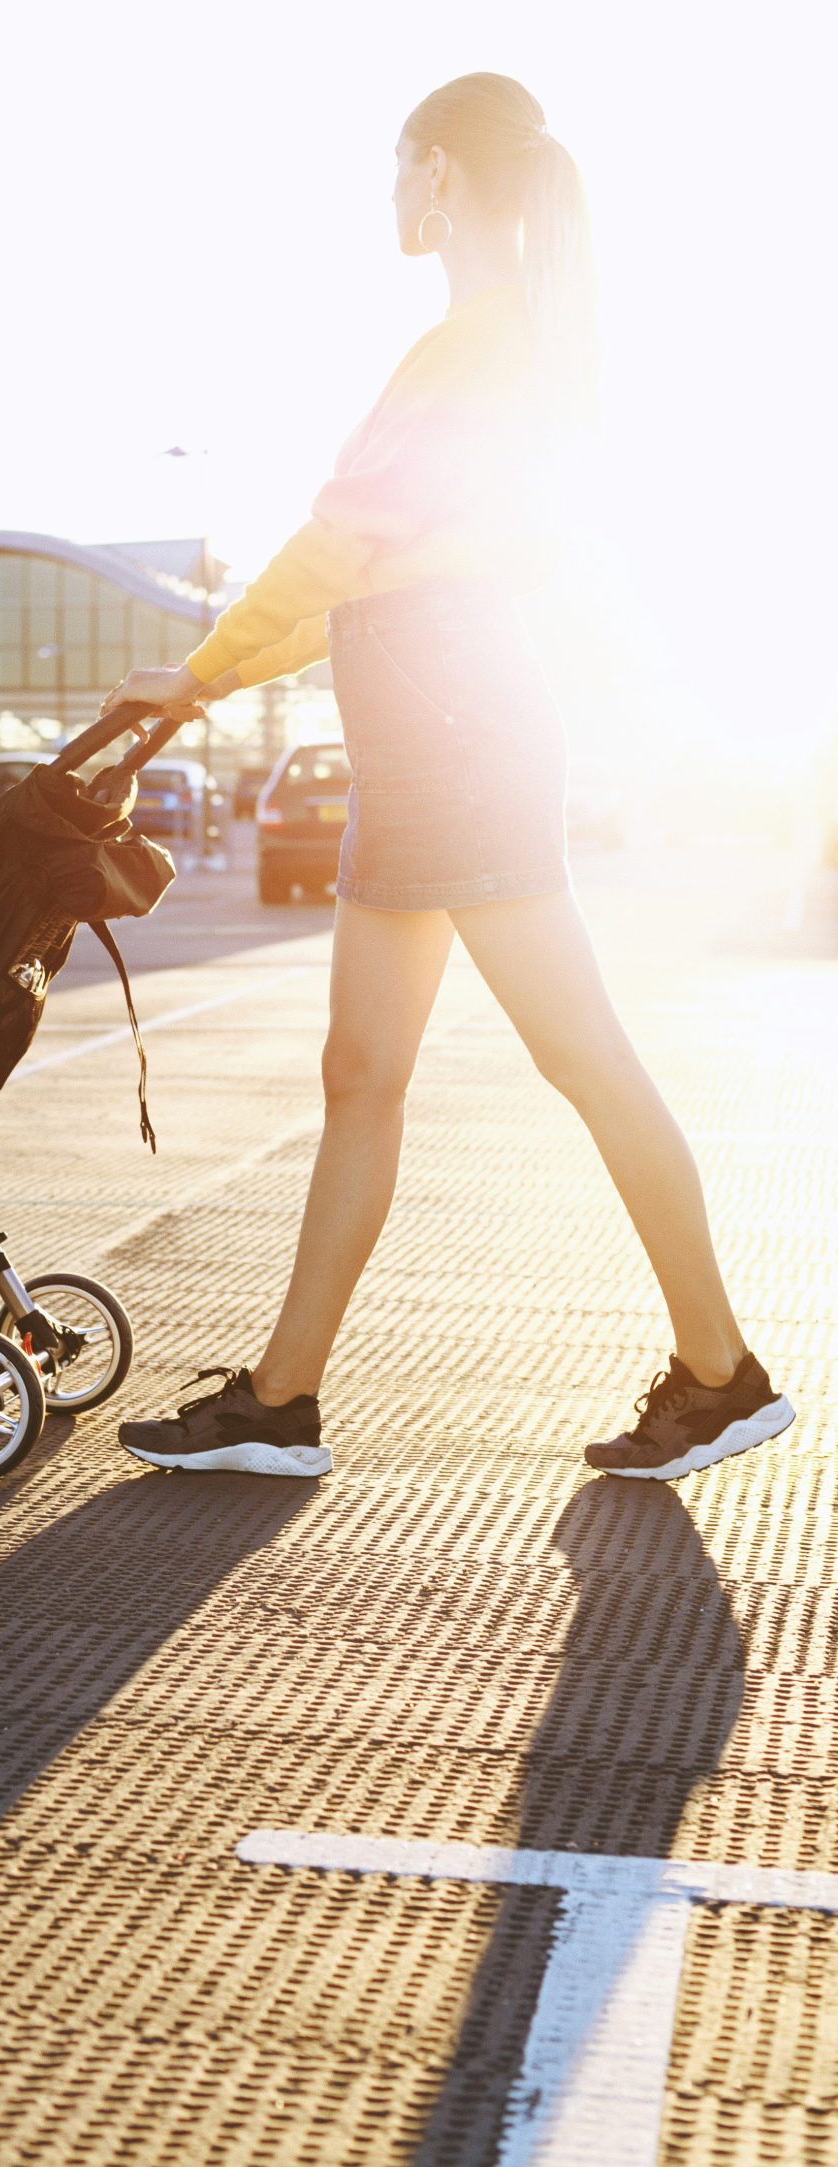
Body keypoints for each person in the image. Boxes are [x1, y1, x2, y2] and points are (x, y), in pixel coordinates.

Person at [108, 72, 793, 1488]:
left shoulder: (478, 347)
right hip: (428, 737)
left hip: (458, 738)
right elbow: (364, 577)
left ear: (436, 174)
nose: (388, 197)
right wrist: (225, 668)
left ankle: (722, 1373)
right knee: (362, 1071)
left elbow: (342, 543)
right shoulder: (497, 343)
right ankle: (282, 1403)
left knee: (581, 1054)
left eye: (395, 167)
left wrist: (202, 670)